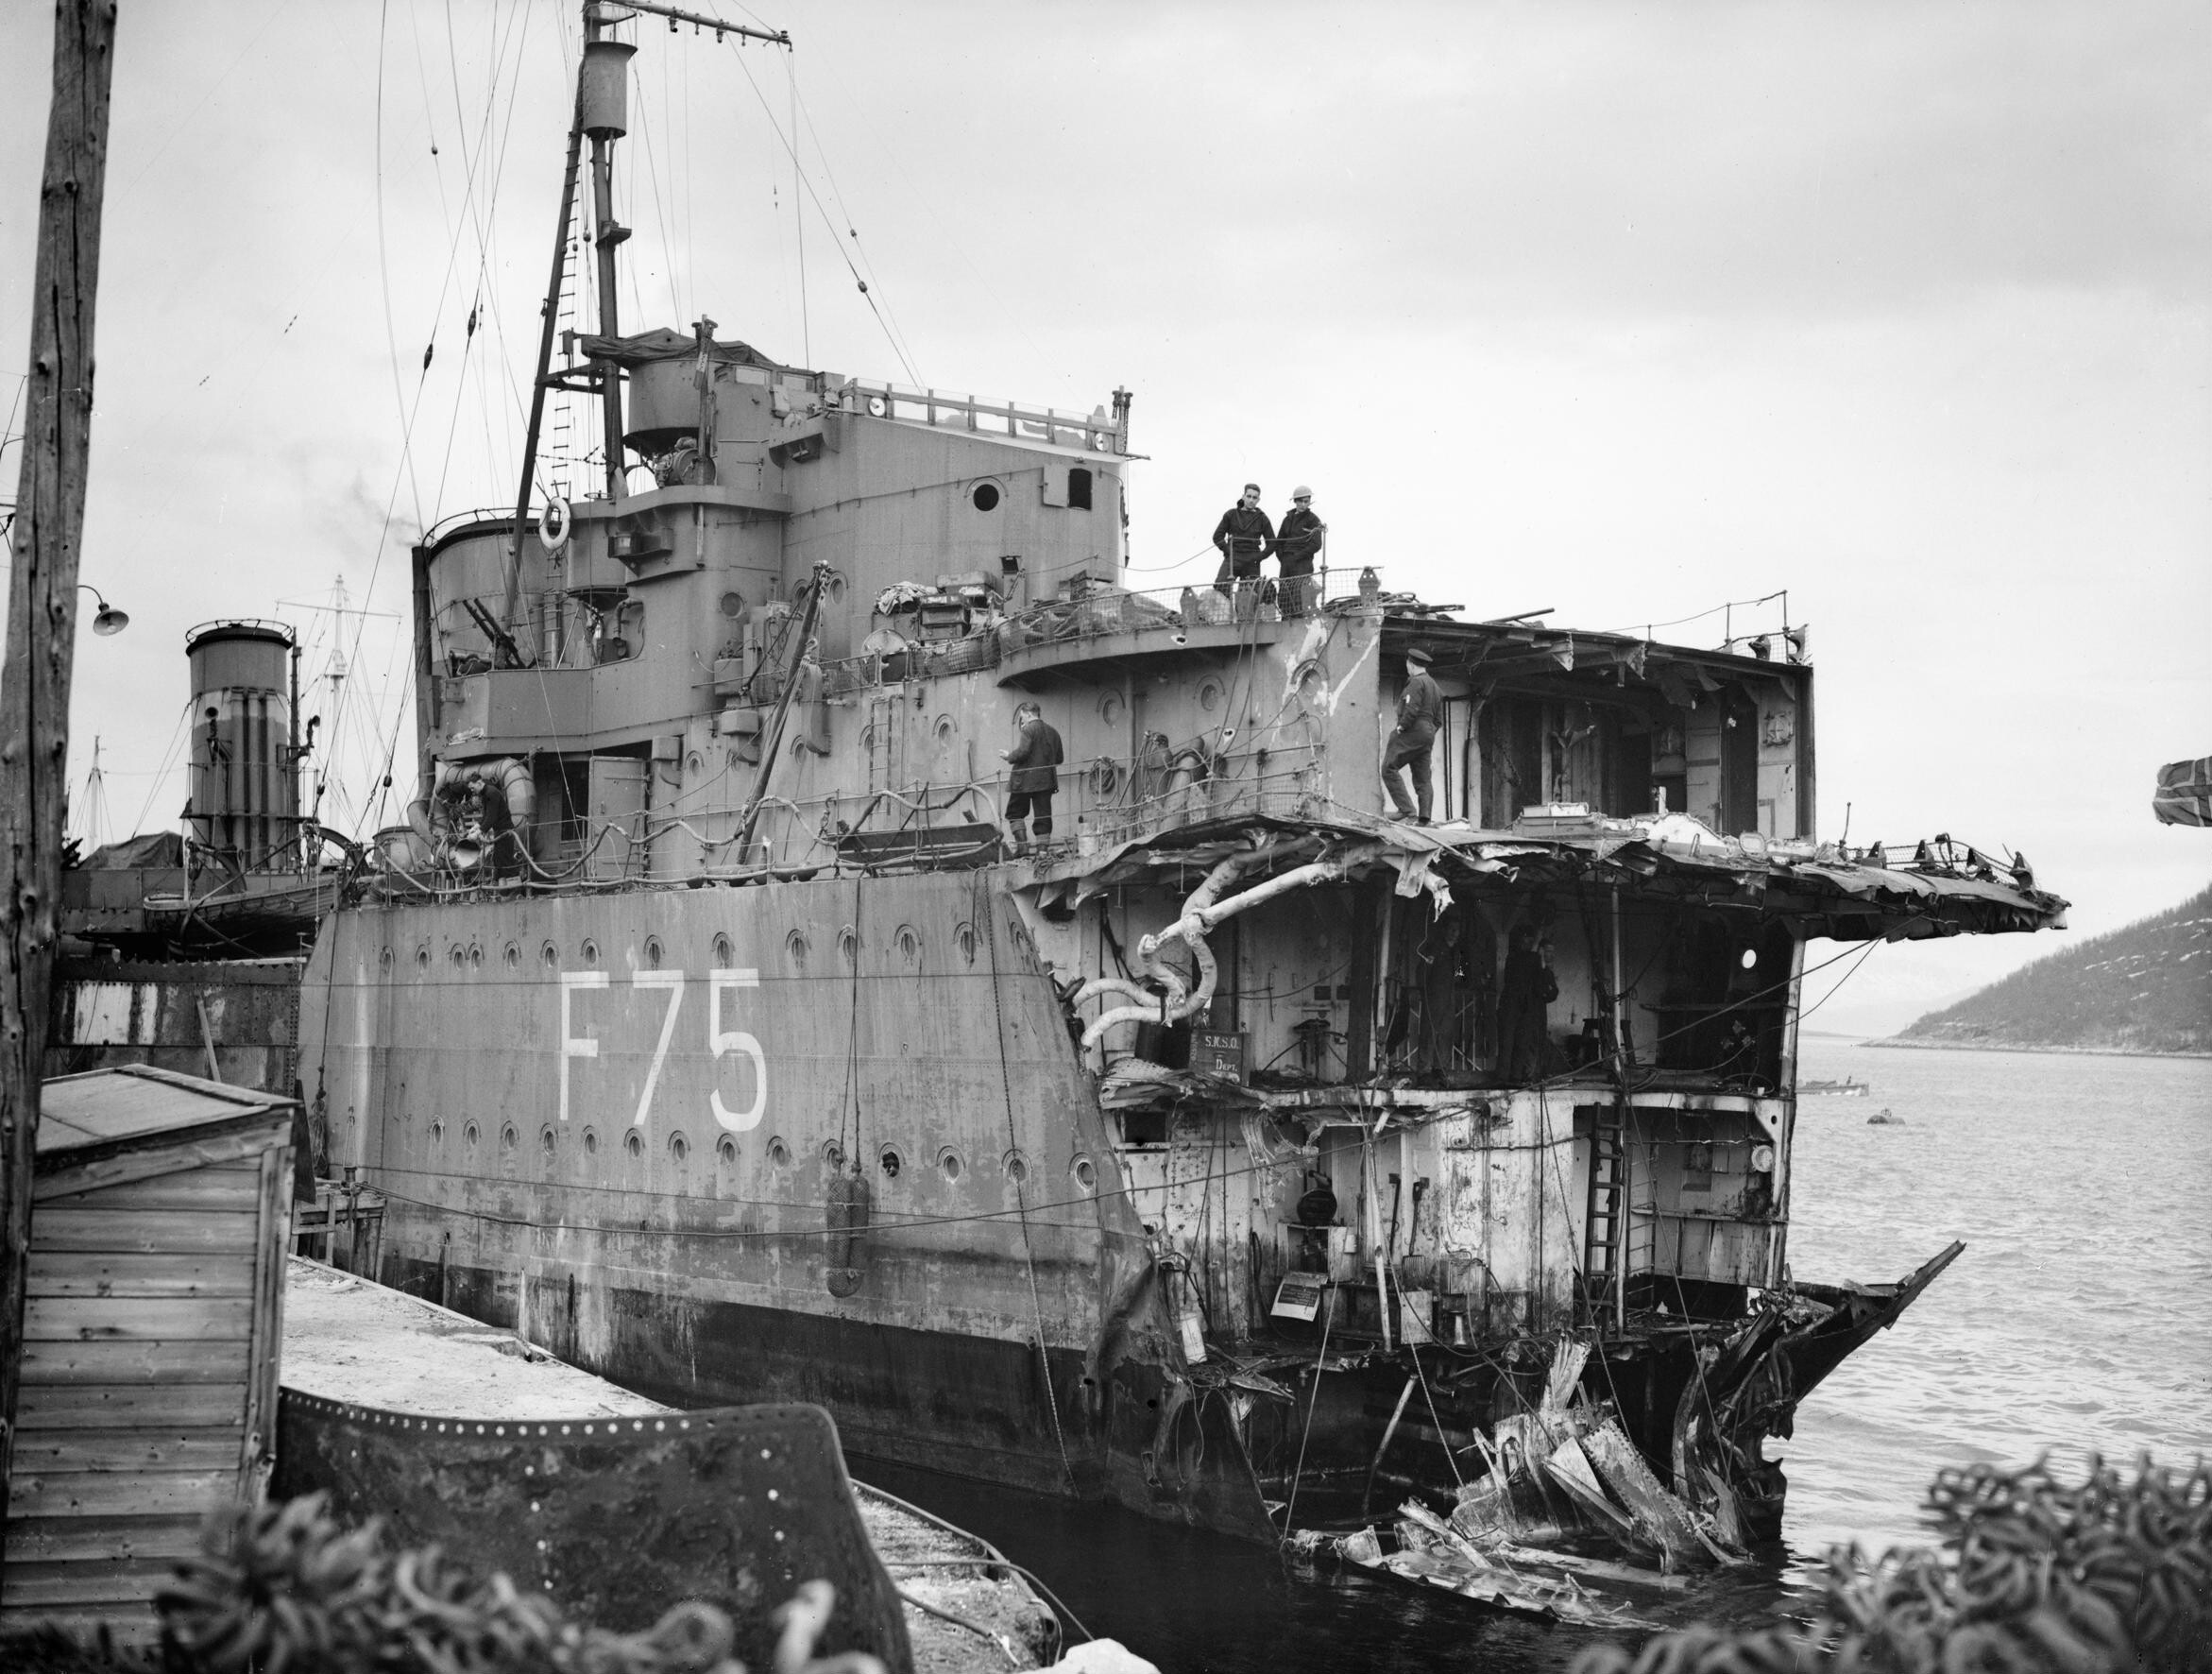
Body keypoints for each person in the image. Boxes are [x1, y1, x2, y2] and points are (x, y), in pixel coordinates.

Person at [1381, 644, 1442, 822]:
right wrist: (1428, 733)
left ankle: (1407, 811)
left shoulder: (1416, 682)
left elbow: (1411, 707)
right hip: (1428, 734)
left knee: (1388, 769)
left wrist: (1402, 727)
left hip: (1413, 728)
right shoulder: (1436, 687)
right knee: (1423, 777)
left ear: (1411, 665)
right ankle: (1424, 818)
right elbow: (1439, 719)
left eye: (1408, 665)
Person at [999, 700, 1063, 855]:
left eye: (1023, 718)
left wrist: (1009, 756)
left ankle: (1022, 847)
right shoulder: (1053, 732)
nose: (1022, 721)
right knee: (1043, 816)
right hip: (1046, 782)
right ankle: (1042, 852)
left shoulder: (1028, 729)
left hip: (1024, 782)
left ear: (1028, 714)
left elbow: (1023, 752)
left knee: (1014, 813)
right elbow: (1059, 758)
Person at [1495, 923, 1557, 1083]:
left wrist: (1542, 967)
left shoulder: (1537, 965)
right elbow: (1525, 970)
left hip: (1527, 1010)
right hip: (1511, 1008)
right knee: (1507, 1043)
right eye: (1526, 940)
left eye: (1531, 941)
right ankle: (1502, 1079)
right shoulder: (1514, 957)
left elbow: (1548, 990)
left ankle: (1515, 1077)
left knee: (1522, 1045)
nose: (1528, 944)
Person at [1210, 484, 1274, 617]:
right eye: (1249, 496)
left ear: (1258, 500)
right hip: (1233, 558)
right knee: (1221, 586)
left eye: (1255, 498)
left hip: (1252, 560)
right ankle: (1224, 620)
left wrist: (1260, 557)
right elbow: (1217, 537)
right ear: (1243, 496)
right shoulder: (1231, 515)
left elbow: (1272, 543)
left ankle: (1245, 623)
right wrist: (1229, 551)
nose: (1251, 500)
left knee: (1249, 595)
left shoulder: (1262, 518)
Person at [1273, 486, 1327, 617]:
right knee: (1284, 595)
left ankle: (1299, 625)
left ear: (1309, 502)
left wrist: (1297, 556)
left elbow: (1316, 544)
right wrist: (1283, 557)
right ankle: (1286, 623)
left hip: (1303, 564)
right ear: (1295, 501)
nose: (1303, 504)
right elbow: (1279, 541)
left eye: (1306, 501)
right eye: (1300, 501)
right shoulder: (1287, 519)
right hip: (1286, 562)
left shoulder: (1313, 520)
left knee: (1299, 596)